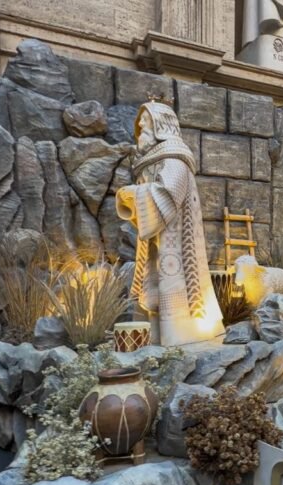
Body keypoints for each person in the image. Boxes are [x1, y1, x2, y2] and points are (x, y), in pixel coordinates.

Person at [115, 99, 225, 345]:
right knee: (153, 280)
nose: (140, 126)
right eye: (141, 121)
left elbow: (169, 192)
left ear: (161, 125)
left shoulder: (174, 157)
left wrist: (134, 194)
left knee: (173, 280)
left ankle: (180, 334)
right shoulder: (152, 159)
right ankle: (155, 334)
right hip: (158, 237)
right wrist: (134, 197)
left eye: (146, 121)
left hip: (175, 240)